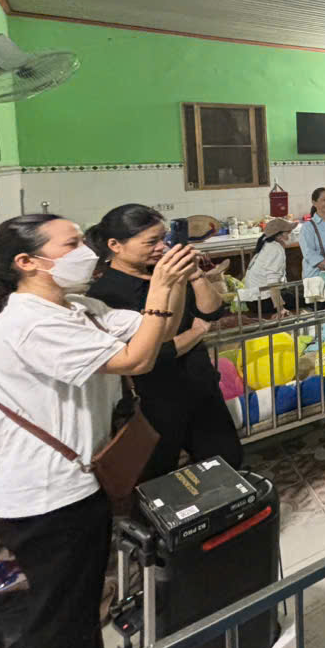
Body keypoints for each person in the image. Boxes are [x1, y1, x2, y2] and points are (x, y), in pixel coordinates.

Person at [0, 215, 197, 648]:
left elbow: (160, 331)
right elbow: (136, 361)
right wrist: (159, 288)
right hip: (45, 497)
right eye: (71, 244)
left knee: (76, 610)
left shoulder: (80, 308)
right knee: (63, 623)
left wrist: (173, 282)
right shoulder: (30, 325)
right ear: (28, 262)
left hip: (80, 484)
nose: (86, 251)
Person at [85, 204, 243, 477]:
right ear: (115, 245)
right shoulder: (106, 294)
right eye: (151, 242)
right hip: (153, 399)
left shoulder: (167, 271)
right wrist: (195, 333)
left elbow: (212, 311)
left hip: (199, 383)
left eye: (163, 238)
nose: (162, 247)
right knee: (157, 475)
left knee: (225, 461)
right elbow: (154, 352)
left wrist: (194, 274)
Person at [241, 218, 298, 317]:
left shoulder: (267, 244)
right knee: (307, 298)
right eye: (288, 232)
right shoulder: (275, 250)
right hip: (263, 302)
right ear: (279, 236)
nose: (291, 234)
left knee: (296, 292)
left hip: (253, 301)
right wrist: (280, 309)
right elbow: (273, 283)